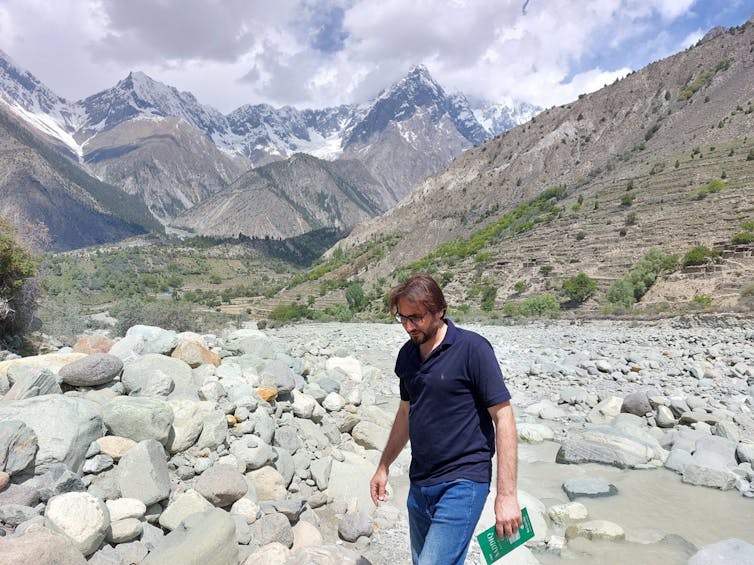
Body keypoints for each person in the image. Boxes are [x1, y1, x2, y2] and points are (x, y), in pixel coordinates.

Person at [369, 273, 521, 565]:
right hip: (421, 483)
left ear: (440, 310)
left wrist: (506, 496)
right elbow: (406, 413)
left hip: (464, 481)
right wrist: (383, 466)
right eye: (403, 318)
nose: (409, 326)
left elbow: (503, 417)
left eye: (417, 317)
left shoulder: (472, 349)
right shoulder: (407, 356)